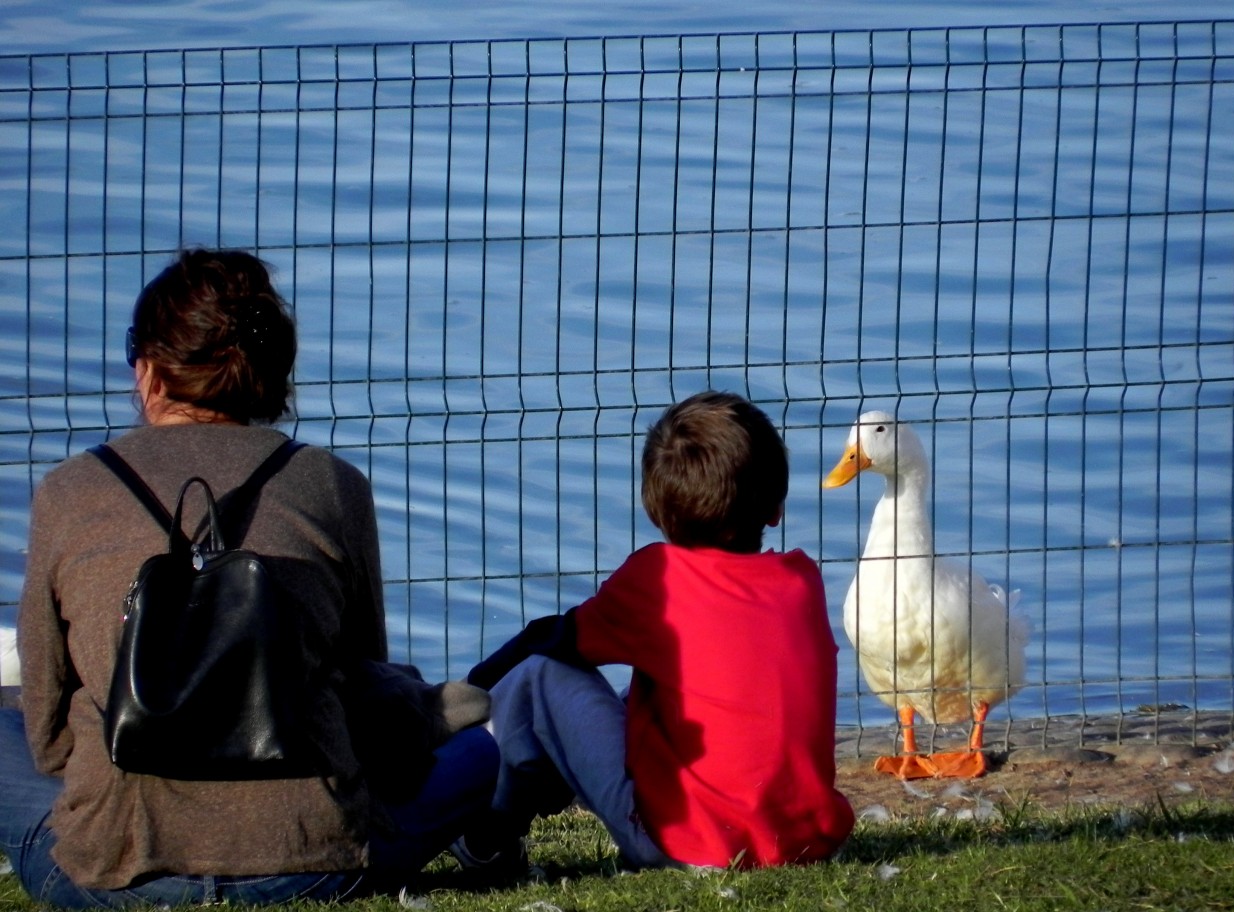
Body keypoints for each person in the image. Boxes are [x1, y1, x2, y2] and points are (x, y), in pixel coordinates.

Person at [0, 248, 499, 908]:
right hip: (311, 861)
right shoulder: (333, 486)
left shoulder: (69, 492)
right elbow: (364, 683)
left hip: (112, 872)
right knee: (480, 755)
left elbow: (47, 730)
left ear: (149, 370)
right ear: (271, 374)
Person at [457, 390, 856, 875]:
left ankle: (487, 839)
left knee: (539, 677)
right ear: (775, 509)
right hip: (803, 841)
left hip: (692, 847)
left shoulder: (658, 580)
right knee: (646, 694)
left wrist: (468, 690)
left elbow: (557, 642)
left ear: (658, 512)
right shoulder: (802, 581)